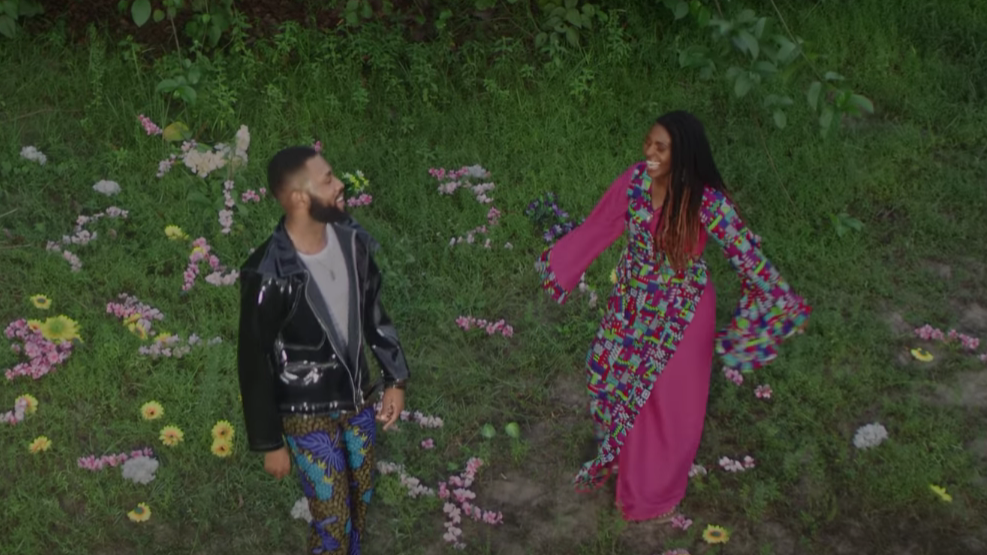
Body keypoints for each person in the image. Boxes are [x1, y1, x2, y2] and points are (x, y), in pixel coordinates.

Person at [534, 111, 810, 523]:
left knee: (667, 405)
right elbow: (600, 225)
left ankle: (651, 494)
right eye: (648, 142)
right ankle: (624, 458)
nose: (649, 151)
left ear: (683, 154)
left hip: (683, 313)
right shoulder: (635, 181)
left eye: (660, 147)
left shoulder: (706, 201)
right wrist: (561, 266)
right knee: (608, 372)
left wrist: (777, 305)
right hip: (632, 304)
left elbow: (747, 255)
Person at [237, 145, 410, 554]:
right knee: (333, 518)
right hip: (305, 412)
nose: (340, 185)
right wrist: (270, 441)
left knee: (361, 498)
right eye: (328, 180)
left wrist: (395, 379)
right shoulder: (268, 272)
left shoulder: (352, 244)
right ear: (300, 197)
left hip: (358, 398)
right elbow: (253, 360)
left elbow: (374, 314)